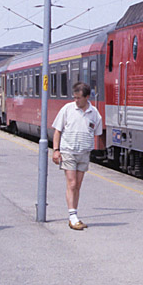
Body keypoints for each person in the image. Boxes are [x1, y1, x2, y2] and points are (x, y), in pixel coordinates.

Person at [52, 81, 102, 230]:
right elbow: (57, 131)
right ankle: (72, 216)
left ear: (87, 97)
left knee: (78, 185)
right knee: (72, 183)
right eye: (74, 97)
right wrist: (56, 150)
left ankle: (74, 215)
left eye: (79, 98)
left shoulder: (94, 113)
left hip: (84, 152)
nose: (76, 100)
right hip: (68, 151)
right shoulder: (67, 109)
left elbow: (97, 133)